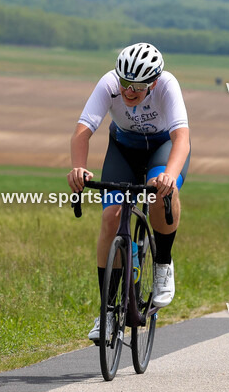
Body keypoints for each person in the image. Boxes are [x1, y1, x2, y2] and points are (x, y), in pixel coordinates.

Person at [67, 43, 190, 341]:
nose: (129, 91)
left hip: (162, 148)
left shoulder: (168, 86)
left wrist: (170, 178)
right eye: (125, 83)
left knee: (162, 195)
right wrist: (78, 168)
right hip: (124, 150)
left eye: (137, 86)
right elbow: (82, 131)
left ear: (154, 83)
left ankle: (162, 264)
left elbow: (181, 140)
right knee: (111, 216)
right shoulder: (109, 83)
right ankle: (107, 312)